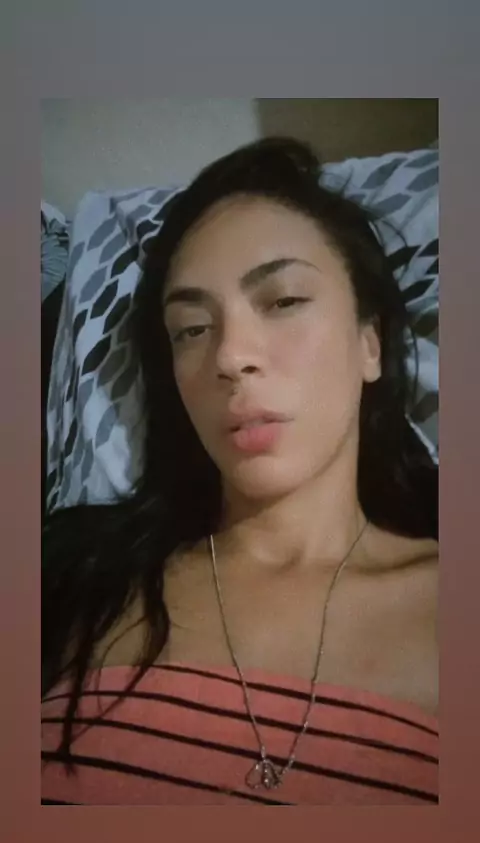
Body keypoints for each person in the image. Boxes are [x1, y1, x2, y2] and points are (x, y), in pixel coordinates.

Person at [41, 137, 438, 805]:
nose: (230, 356)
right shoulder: (71, 576)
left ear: (370, 342)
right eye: (192, 329)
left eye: (283, 301)